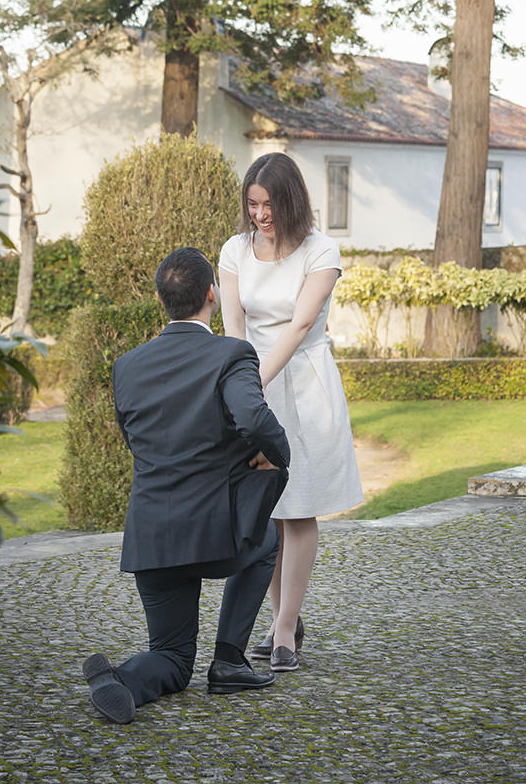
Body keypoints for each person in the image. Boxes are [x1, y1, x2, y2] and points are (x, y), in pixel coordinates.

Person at [82, 247, 290, 723]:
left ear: (162, 300)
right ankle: (229, 660)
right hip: (217, 535)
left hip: (151, 536)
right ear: (212, 295)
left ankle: (123, 680)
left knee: (173, 658)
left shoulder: (127, 366)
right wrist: (277, 457)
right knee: (267, 540)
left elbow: (136, 438)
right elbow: (254, 418)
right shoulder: (231, 353)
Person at [219, 152, 363, 673]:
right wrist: (240, 384)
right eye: (252, 204)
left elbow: (300, 325)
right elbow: (235, 321)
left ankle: (283, 630)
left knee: (297, 507)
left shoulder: (321, 251)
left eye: (269, 204)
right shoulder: (235, 250)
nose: (260, 214)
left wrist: (254, 383)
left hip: (303, 384)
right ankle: (286, 615)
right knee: (265, 509)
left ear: (291, 201)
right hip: (253, 385)